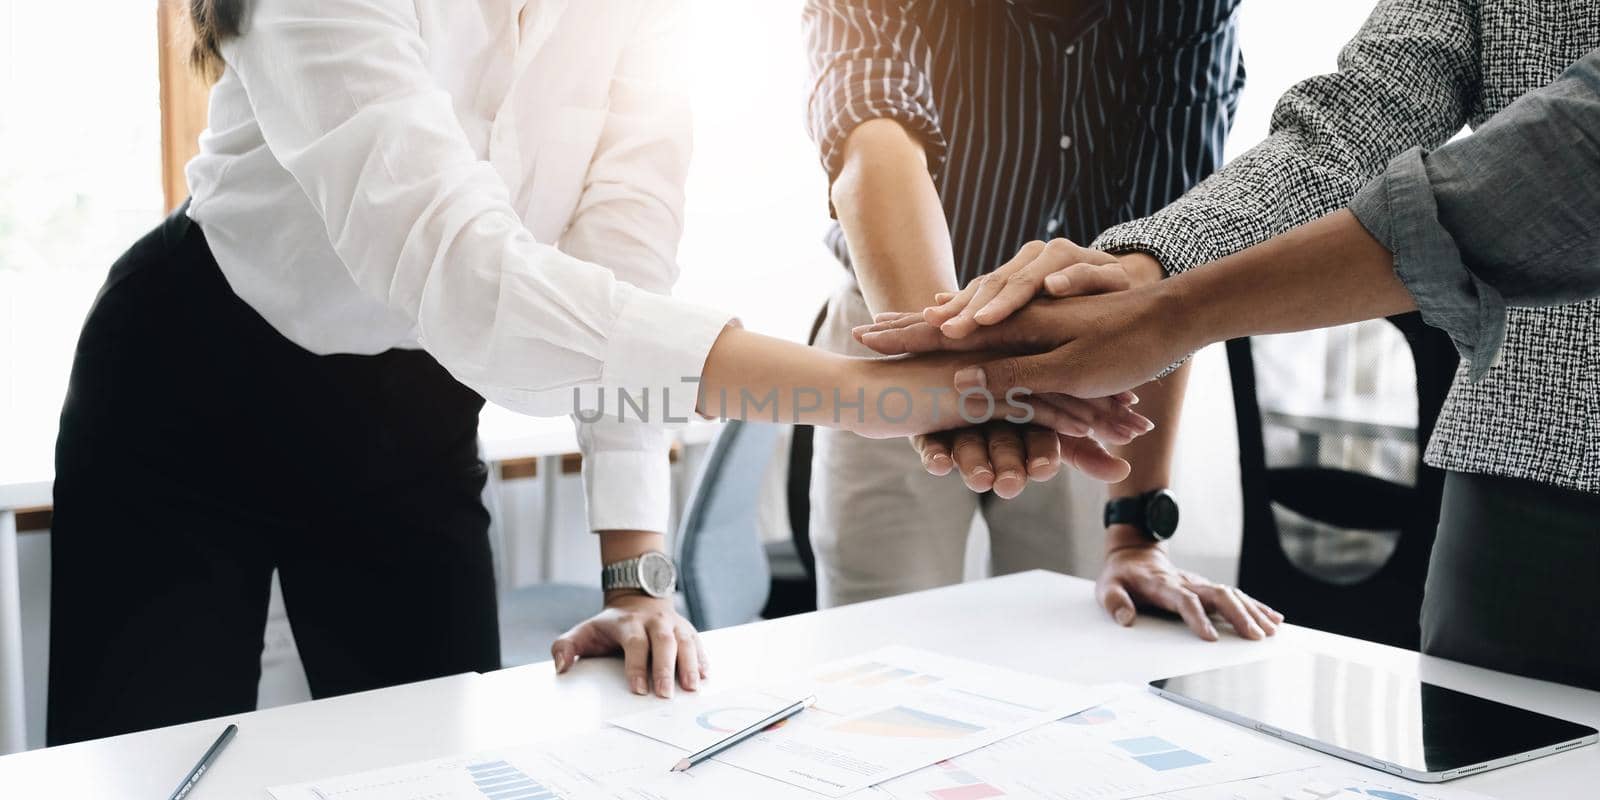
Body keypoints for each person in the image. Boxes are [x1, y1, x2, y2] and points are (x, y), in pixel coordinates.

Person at [45, 0, 1147, 745]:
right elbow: (473, 276)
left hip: (408, 414)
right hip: (188, 391)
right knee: (145, 768)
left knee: (432, 768)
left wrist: (636, 581)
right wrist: (865, 389)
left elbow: (619, 279)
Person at [856, 45, 1600, 688]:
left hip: (1073, 351)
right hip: (1516, 451)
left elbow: (1570, 157)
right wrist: (1145, 276)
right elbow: (1346, 130)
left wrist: (1163, 310)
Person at [798, 0, 1282, 640]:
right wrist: (953, 369)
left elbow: (1169, 253)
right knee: (877, 648)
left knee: (1080, 654)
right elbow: (870, 145)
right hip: (897, 332)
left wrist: (1135, 529)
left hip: (1090, 352)